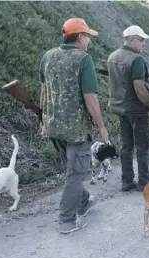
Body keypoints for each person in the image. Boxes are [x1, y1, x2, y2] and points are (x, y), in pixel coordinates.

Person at [39, 18, 109, 234]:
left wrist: (42, 118)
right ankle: (66, 220)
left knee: (71, 171)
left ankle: (84, 202)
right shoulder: (83, 59)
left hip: (53, 126)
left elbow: (44, 92)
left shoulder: (47, 56)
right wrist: (101, 126)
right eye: (88, 36)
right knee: (76, 174)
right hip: (76, 130)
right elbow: (90, 98)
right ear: (79, 38)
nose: (89, 41)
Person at [107, 25, 149, 192]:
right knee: (143, 146)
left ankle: (126, 181)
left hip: (120, 109)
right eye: (142, 40)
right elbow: (139, 89)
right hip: (136, 111)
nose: (143, 44)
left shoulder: (112, 56)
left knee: (126, 146)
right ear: (133, 39)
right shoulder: (136, 60)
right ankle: (144, 183)